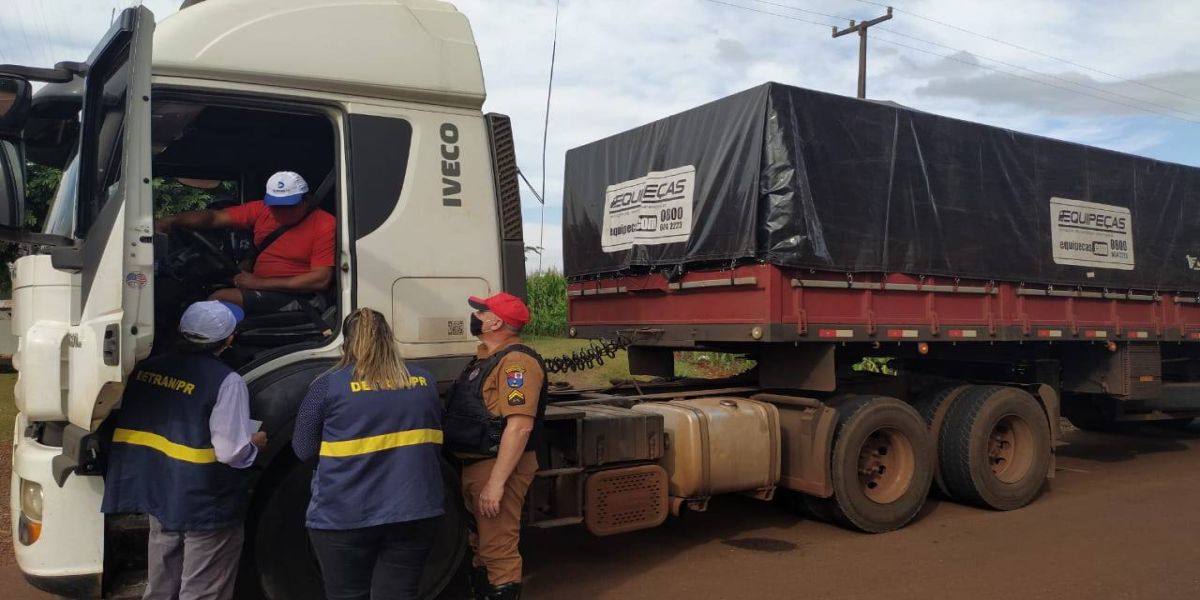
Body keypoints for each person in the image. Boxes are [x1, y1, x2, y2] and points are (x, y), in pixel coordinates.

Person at [101, 300, 267, 600]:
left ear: (181, 330)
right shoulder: (227, 381)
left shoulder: (147, 369)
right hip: (206, 501)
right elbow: (230, 452)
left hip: (160, 493)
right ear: (229, 339)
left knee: (161, 583)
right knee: (203, 588)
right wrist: (254, 443)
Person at [292, 308, 445, 600]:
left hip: (344, 515)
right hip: (415, 511)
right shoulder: (425, 382)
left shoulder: (327, 386)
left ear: (347, 343)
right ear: (389, 338)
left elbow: (303, 449)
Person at [444, 292, 549, 600]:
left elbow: (520, 427)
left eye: (481, 312)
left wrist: (496, 484)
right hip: (477, 463)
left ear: (495, 322)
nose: (475, 316)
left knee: (497, 547)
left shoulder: (517, 363)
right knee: (481, 544)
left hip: (497, 465)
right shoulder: (485, 359)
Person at [156, 171, 335, 316]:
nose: (279, 212)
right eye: (275, 205)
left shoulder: (324, 224)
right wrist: (172, 220)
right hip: (260, 286)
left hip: (301, 296)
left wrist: (258, 283)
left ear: (306, 200)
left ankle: (219, 347)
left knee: (219, 300)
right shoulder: (262, 209)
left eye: (288, 206)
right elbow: (214, 218)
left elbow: (320, 279)